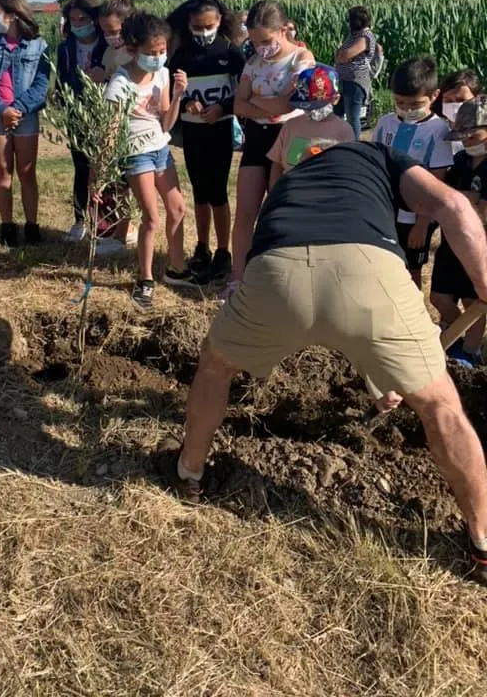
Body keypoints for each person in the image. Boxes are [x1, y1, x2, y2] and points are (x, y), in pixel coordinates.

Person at [159, 140, 487, 585]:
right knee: (440, 405)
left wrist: (381, 382)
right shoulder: (377, 155)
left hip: (276, 273)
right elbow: (452, 205)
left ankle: (189, 472)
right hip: (368, 273)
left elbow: (310, 273)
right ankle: (482, 541)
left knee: (216, 366)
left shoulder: (288, 183)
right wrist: (483, 284)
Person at [103, 12, 192, 310]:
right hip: (136, 152)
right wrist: (101, 170)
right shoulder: (120, 82)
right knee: (151, 218)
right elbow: (111, 129)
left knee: (177, 208)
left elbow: (166, 122)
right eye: (151, 52)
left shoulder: (163, 74)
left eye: (162, 51)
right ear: (133, 49)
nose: (157, 57)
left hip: (160, 148)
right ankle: (145, 279)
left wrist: (177, 96)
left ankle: (176, 269)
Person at [230, 0, 315, 295]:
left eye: (266, 41)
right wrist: (265, 105)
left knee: (283, 212)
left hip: (290, 138)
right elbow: (238, 104)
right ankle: (239, 280)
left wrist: (254, 101)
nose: (260, 48)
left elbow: (287, 105)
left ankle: (284, 281)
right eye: (254, 42)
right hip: (256, 139)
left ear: (283, 30)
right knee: (245, 213)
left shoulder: (301, 58)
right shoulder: (253, 62)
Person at [168, 0, 245, 283]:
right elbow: (170, 90)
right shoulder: (183, 54)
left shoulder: (230, 52)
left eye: (208, 27)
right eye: (197, 27)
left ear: (220, 21)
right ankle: (202, 247)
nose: (203, 33)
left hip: (220, 130)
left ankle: (224, 251)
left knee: (218, 192)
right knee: (199, 192)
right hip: (193, 131)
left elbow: (244, 92)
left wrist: (223, 107)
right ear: (188, 24)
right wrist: (186, 102)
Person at [0, 0, 49, 249]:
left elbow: (41, 83)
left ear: (13, 15)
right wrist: (1, 109)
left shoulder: (39, 46)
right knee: (3, 172)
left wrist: (17, 109)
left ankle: (32, 225)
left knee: (27, 173)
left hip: (25, 117)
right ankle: (7, 226)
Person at [372, 57, 452, 288]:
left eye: (415, 104)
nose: (407, 109)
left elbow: (437, 180)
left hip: (416, 215)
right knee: (385, 261)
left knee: (412, 268)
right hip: (386, 209)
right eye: (400, 102)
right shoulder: (385, 123)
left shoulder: (438, 130)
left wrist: (422, 224)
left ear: (434, 96)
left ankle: (412, 307)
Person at [431, 97, 487, 369]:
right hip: (452, 238)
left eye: (472, 135)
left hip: (480, 243)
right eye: (462, 136)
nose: (466, 141)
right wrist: (467, 199)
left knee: (473, 299)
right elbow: (446, 195)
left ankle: (471, 350)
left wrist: (464, 200)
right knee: (438, 297)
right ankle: (456, 337)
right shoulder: (460, 160)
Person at [57, 0, 107, 241]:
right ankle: (80, 220)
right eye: (73, 19)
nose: (77, 24)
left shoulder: (108, 45)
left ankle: (107, 222)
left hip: (105, 112)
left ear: (94, 19)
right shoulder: (65, 48)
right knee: (81, 167)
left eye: (82, 19)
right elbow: (61, 79)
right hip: (77, 114)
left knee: (106, 168)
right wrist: (65, 104)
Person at [94, 0, 137, 256]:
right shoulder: (110, 51)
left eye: (114, 30)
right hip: (113, 121)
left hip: (133, 124)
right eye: (105, 31)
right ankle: (121, 230)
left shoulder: (136, 52)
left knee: (130, 181)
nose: (110, 36)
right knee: (119, 183)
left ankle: (126, 232)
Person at [267, 64, 353, 187]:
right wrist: (274, 192)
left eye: (317, 106)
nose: (311, 111)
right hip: (291, 190)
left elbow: (346, 171)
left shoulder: (344, 130)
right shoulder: (290, 126)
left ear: (335, 99)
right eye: (307, 106)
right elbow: (277, 164)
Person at [334, 5, 383, 140]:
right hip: (344, 80)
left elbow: (343, 56)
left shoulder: (364, 37)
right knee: (337, 114)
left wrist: (340, 54)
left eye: (350, 20)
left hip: (355, 82)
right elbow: (341, 56)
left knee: (352, 117)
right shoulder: (354, 36)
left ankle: (354, 143)